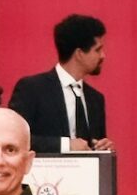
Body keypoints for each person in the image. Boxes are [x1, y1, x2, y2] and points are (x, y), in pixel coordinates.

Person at [7, 14, 111, 153]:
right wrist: (65, 145)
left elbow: (95, 146)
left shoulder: (96, 99)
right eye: (98, 50)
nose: (103, 55)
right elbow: (13, 138)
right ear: (79, 53)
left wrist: (104, 148)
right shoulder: (32, 89)